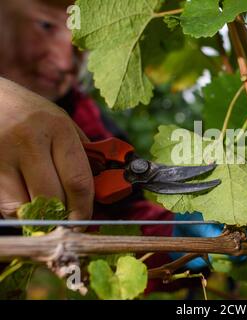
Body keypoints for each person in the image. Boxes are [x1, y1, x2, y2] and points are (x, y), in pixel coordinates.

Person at [0, 0, 216, 290]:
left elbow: (115, 222)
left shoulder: (83, 120)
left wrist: (179, 240)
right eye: (46, 26)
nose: (66, 63)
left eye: (80, 51)